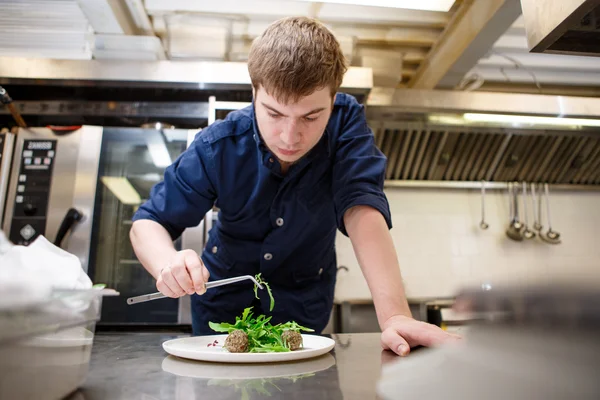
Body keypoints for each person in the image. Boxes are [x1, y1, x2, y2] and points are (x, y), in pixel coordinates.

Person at [130, 16, 459, 356]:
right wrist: (166, 262)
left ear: (333, 102)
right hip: (222, 309)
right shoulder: (219, 145)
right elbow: (149, 222)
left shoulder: (346, 127)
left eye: (311, 117)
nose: (290, 137)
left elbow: (362, 208)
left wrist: (394, 316)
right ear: (254, 93)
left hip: (302, 310)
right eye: (273, 114)